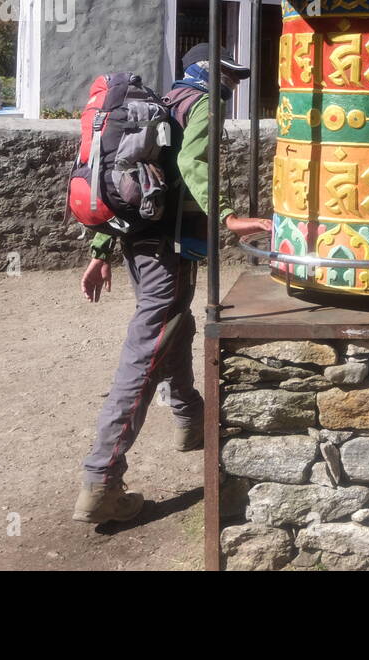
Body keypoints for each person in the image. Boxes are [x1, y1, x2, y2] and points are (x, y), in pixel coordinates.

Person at [74, 42, 271, 524]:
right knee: (145, 353)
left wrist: (100, 252)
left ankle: (190, 419)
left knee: (174, 327)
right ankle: (102, 479)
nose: (235, 84)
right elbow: (192, 166)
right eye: (230, 75)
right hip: (171, 249)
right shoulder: (201, 104)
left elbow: (118, 172)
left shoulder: (161, 105)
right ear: (208, 71)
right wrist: (229, 217)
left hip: (138, 244)